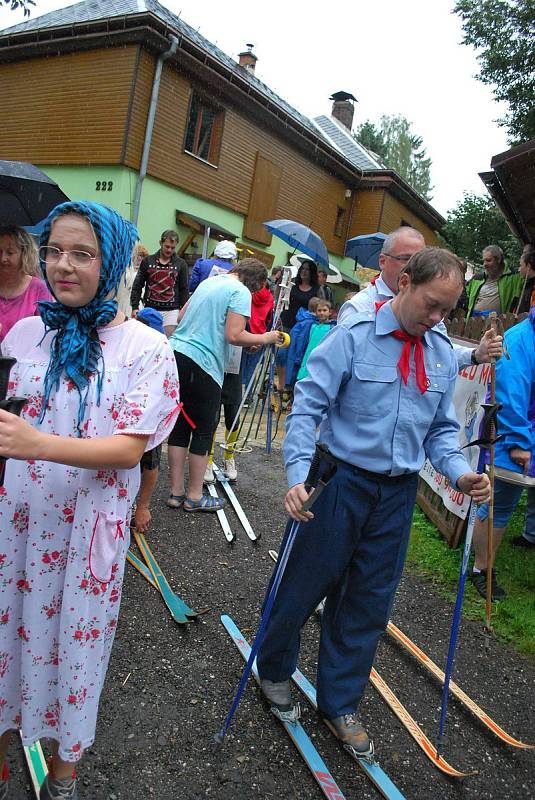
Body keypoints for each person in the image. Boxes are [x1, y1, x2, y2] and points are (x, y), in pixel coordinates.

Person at [256, 248, 490, 757]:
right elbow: (306, 407)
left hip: (396, 494)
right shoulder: (353, 336)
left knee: (367, 602)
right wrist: (296, 476)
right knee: (302, 584)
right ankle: (273, 668)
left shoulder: (441, 353)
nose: (437, 318)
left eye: (447, 311)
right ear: (404, 282)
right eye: (431, 305)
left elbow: (441, 434)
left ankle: (339, 701)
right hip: (338, 480)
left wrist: (462, 474)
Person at [0, 201, 180, 800]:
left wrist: (35, 442)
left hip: (86, 530)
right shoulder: (28, 332)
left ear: (113, 262)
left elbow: (129, 449)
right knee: (7, 636)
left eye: (82, 253)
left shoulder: (144, 348)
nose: (62, 266)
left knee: (74, 643)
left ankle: (63, 772)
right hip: (20, 522)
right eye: (53, 251)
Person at [166, 259, 283, 511]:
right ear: (258, 282)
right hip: (204, 363)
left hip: (177, 355)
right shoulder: (240, 291)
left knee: (180, 426)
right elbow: (234, 335)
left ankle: (176, 493)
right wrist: (266, 337)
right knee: (203, 429)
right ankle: (195, 497)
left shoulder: (210, 282)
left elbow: (182, 315)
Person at [338, 227, 502, 370]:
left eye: (422, 260)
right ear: (383, 261)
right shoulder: (359, 308)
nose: (417, 267)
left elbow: (441, 353)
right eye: (407, 259)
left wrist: (475, 355)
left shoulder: (433, 310)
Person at [470, 308, 535, 599]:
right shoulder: (521, 338)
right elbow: (509, 393)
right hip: (515, 436)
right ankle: (481, 569)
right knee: (499, 502)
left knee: (504, 501)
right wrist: (520, 442)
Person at [131, 307, 168, 533]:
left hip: (151, 413)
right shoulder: (127, 343)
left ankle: (141, 506)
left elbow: (152, 463)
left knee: (149, 458)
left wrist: (142, 506)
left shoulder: (162, 350)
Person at [130, 230, 188, 336]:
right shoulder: (147, 261)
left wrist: (183, 310)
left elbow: (184, 289)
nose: (169, 250)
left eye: (173, 247)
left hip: (171, 311)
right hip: (150, 307)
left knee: (167, 342)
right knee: (145, 338)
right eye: (167, 246)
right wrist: (134, 307)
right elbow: (138, 285)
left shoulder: (181, 264)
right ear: (160, 243)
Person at [0, 224, 52, 343]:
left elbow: (46, 332)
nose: (3, 258)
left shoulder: (39, 289)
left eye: (10, 252)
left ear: (24, 254)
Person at [466, 245, 523, 318]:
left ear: (498, 260)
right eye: (483, 261)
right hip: (474, 322)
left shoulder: (513, 277)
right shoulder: (477, 279)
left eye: (488, 260)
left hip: (497, 324)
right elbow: (465, 295)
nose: (484, 264)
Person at [284, 297, 320, 389]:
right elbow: (302, 340)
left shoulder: (303, 318)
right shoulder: (309, 322)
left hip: (293, 351)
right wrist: (299, 358)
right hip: (297, 354)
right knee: (294, 380)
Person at [296, 300, 335, 381]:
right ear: (315, 312)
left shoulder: (332, 328)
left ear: (330, 312)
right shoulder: (312, 325)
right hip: (307, 357)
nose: (322, 313)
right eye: (319, 310)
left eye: (324, 310)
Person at [115, 242, 148, 318]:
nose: (140, 258)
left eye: (142, 256)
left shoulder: (143, 271)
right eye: (139, 255)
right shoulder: (126, 267)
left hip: (134, 300)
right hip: (122, 298)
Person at [514, 243, 535, 314]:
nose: (519, 269)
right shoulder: (526, 285)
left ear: (528, 266)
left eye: (520, 266)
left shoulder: (533, 288)